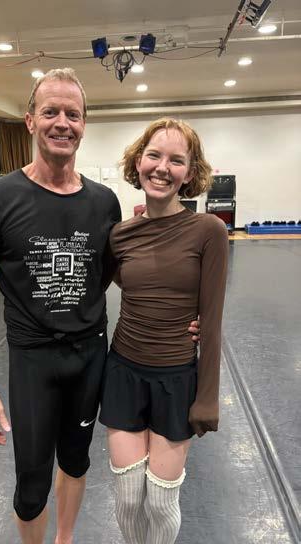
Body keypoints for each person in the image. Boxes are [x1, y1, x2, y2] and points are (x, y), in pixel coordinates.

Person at [0, 68, 200, 544]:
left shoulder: (103, 202)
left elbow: (115, 274)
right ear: (30, 120)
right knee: (31, 485)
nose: (62, 122)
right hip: (32, 361)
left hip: (89, 357)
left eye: (73, 114)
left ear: (84, 124)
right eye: (50, 111)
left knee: (75, 460)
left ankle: (65, 539)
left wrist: (183, 321)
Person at [99, 117, 229, 544]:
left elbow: (212, 319)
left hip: (176, 380)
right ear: (138, 162)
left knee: (159, 502)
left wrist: (207, 397)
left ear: (189, 173)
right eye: (154, 155)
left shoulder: (209, 231)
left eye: (176, 160)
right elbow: (127, 284)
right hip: (123, 373)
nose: (162, 167)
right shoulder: (121, 235)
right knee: (128, 498)